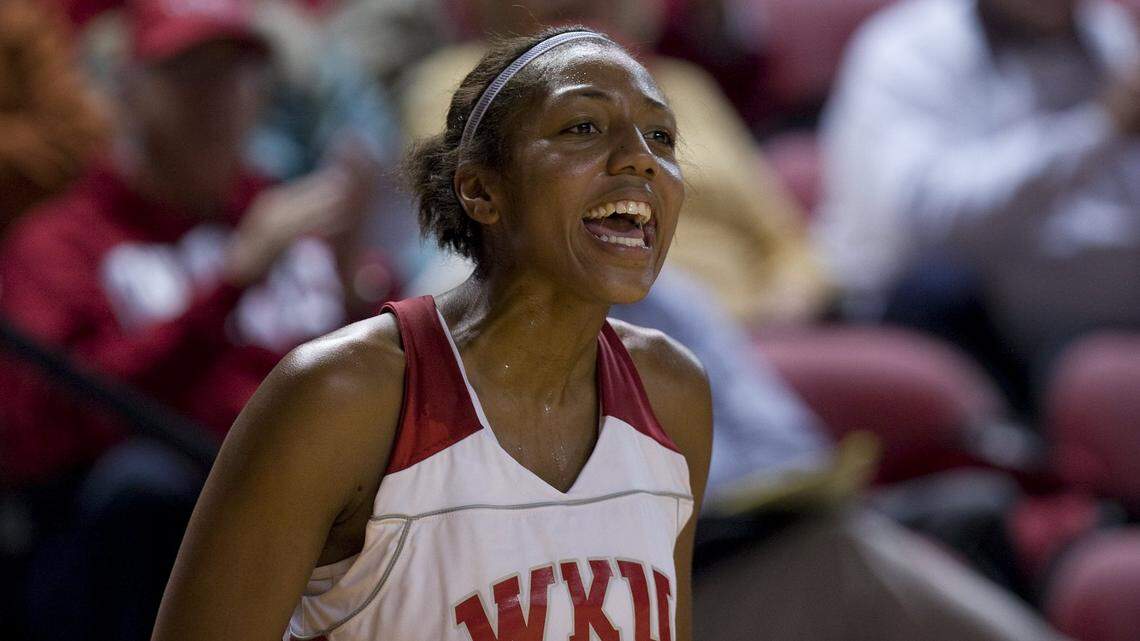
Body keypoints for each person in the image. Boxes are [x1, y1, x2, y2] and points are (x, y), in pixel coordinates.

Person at [152, 26, 713, 641]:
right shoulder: (342, 396)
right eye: (583, 126)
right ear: (480, 190)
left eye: (661, 136)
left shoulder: (672, 392)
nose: (640, 158)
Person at [395, 0, 830, 328]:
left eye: (661, 137)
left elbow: (788, 243)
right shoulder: (464, 81)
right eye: (582, 128)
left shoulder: (690, 87)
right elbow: (490, 218)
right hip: (603, 299)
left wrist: (782, 303)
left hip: (738, 323)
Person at [815, 0, 1140, 407]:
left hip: (1090, 305)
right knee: (940, 286)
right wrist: (1099, 131)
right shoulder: (906, 48)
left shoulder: (1105, 29)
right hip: (962, 320)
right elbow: (930, 219)